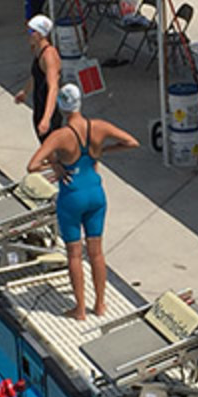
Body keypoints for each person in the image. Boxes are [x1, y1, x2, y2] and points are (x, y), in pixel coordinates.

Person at [27, 84, 139, 320]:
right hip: (96, 195)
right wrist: (103, 151)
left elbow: (32, 165)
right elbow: (132, 142)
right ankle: (99, 305)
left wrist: (55, 165)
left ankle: (79, 309)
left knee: (75, 255)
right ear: (80, 103)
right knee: (97, 253)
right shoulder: (99, 126)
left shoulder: (60, 136)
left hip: (72, 196)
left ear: (61, 105)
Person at [14, 15, 63, 140]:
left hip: (49, 112)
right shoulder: (38, 51)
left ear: (41, 34)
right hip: (40, 107)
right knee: (48, 153)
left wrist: (46, 119)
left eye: (31, 31)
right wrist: (25, 91)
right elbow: (36, 75)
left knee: (52, 154)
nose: (28, 34)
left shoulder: (49, 56)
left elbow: (53, 89)